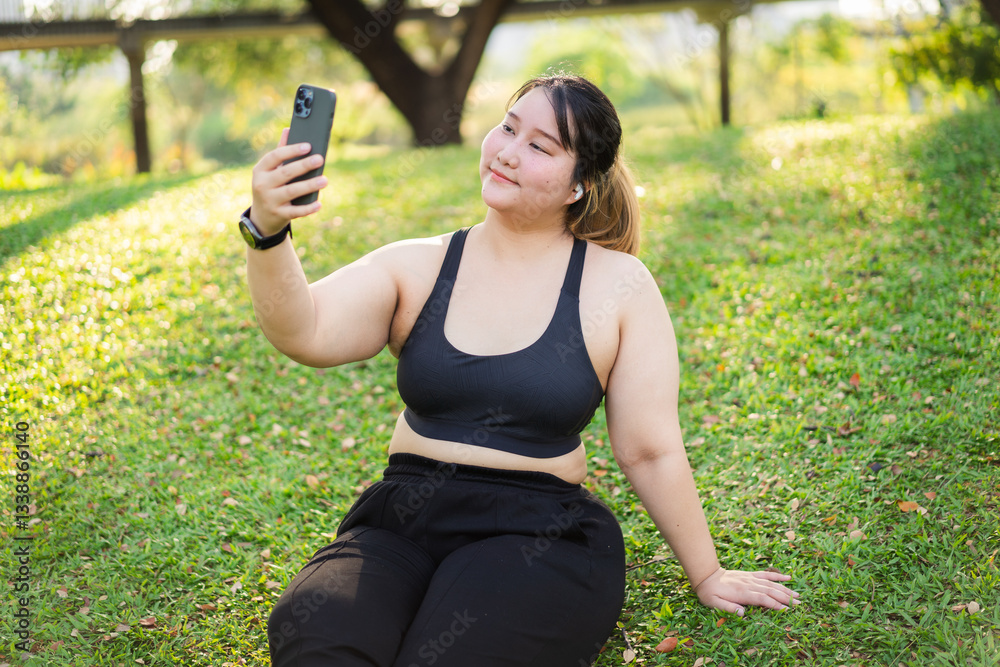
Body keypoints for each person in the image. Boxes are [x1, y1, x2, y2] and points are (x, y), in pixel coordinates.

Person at [241, 74, 798, 667]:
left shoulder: (618, 286)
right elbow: (304, 330)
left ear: (579, 185)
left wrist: (707, 573)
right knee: (320, 642)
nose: (507, 151)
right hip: (399, 522)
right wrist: (267, 231)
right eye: (507, 128)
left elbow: (649, 450)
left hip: (537, 535)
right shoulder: (418, 265)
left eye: (539, 146)